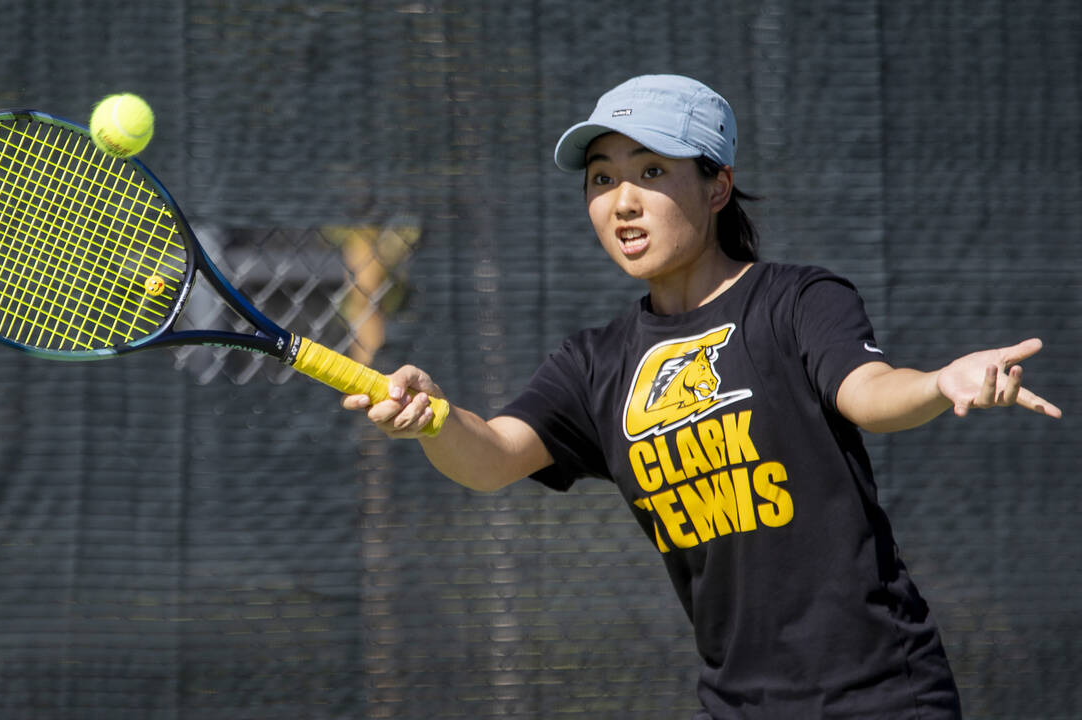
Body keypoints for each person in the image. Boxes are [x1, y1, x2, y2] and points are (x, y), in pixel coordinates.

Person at [341, 74, 1062, 719]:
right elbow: (492, 455)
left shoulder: (797, 300)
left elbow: (869, 393)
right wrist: (432, 415)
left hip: (879, 697)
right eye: (600, 179)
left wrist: (939, 383)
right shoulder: (595, 363)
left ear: (717, 186)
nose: (621, 202)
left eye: (650, 171)